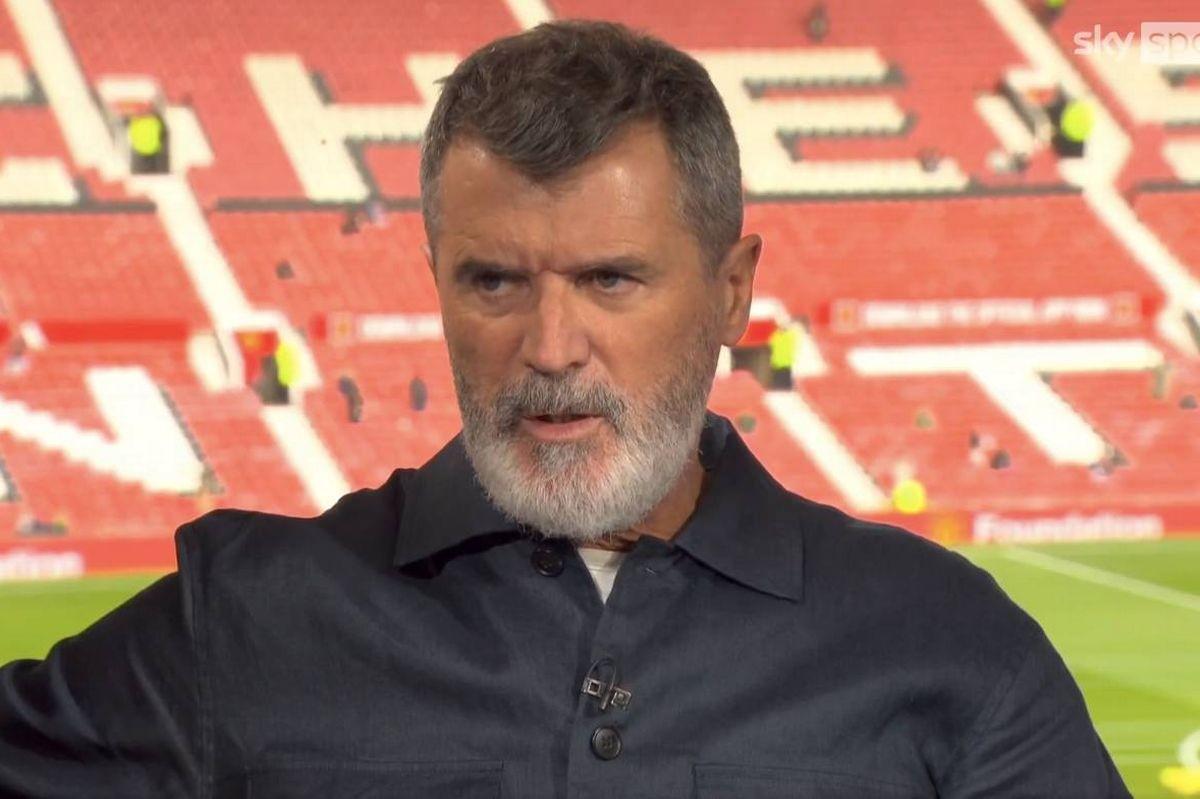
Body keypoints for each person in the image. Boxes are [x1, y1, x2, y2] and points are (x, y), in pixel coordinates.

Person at [0, 20, 1128, 798]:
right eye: (494, 281)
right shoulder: (244, 617)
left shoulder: (946, 641)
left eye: (611, 280)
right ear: (436, 279)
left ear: (732, 291)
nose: (549, 348)